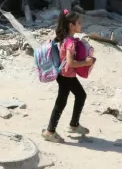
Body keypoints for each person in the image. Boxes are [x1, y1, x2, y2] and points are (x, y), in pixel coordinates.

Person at [42, 9, 95, 143]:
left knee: (78, 96)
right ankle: (51, 131)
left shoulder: (64, 38)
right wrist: (87, 62)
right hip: (66, 75)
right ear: (71, 25)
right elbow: (71, 63)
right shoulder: (70, 42)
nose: (80, 25)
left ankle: (73, 125)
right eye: (78, 23)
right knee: (62, 102)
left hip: (63, 74)